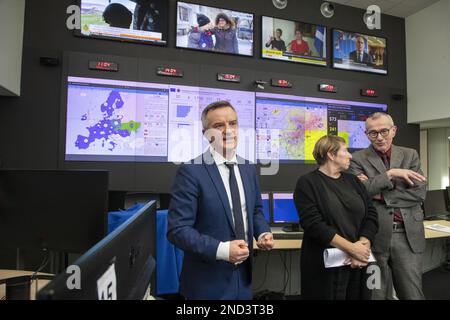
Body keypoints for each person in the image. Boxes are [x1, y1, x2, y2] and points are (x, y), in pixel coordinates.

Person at [167, 100, 274, 300]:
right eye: (219, 126)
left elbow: (255, 210)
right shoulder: (190, 172)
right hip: (206, 284)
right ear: (206, 134)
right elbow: (177, 231)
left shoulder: (248, 168)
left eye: (233, 123)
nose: (228, 130)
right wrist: (223, 250)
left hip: (244, 280)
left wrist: (262, 232)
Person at [348, 112, 427, 300]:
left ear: (394, 130)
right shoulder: (357, 159)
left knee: (412, 294)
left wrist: (380, 194)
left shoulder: (410, 155)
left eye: (384, 131)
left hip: (407, 236)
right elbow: (360, 192)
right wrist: (391, 174)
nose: (379, 137)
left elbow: (419, 193)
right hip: (373, 236)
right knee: (375, 293)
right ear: (366, 134)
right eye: (373, 133)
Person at [294, 135, 379, 300]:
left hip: (358, 263)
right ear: (331, 155)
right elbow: (314, 225)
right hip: (326, 266)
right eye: (345, 151)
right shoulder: (307, 183)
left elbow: (371, 214)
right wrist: (352, 249)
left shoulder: (353, 180)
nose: (350, 155)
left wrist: (363, 246)